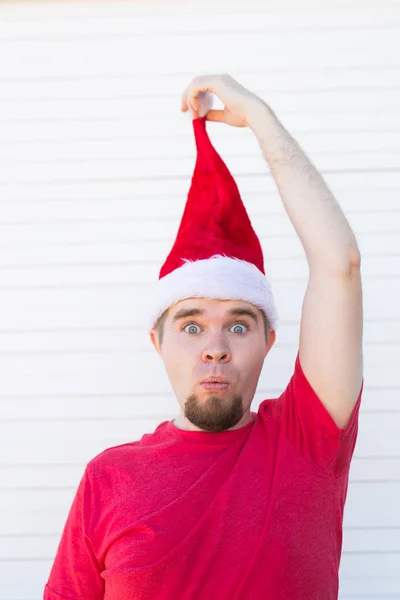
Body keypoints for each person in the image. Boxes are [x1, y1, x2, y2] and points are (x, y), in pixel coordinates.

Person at [44, 74, 364, 600]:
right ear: (158, 342)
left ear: (269, 342)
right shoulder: (108, 478)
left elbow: (340, 265)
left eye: (239, 324)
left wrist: (262, 120)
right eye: (191, 325)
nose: (215, 346)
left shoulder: (306, 443)